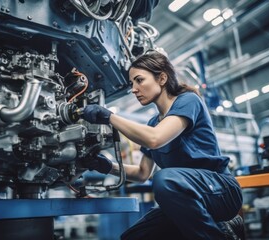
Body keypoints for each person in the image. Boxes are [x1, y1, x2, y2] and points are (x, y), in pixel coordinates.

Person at [81, 51, 244, 239]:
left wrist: (109, 117)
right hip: (184, 196)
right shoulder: (152, 123)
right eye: (132, 83)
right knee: (134, 237)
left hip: (221, 192)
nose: (134, 89)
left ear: (162, 78)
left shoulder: (188, 100)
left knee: (164, 179)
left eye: (139, 80)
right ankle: (220, 228)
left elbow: (155, 139)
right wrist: (108, 166)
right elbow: (142, 174)